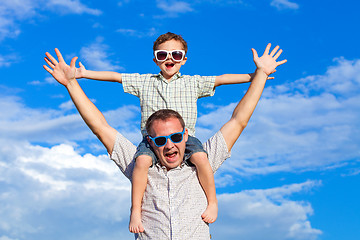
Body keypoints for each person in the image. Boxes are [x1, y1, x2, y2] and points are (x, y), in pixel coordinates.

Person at [43, 43, 286, 239]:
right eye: (160, 140)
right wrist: (72, 84)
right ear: (149, 140)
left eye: (176, 137)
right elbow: (100, 127)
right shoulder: (139, 163)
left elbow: (238, 120)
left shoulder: (202, 162)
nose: (169, 145)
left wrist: (260, 75)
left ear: (186, 135)